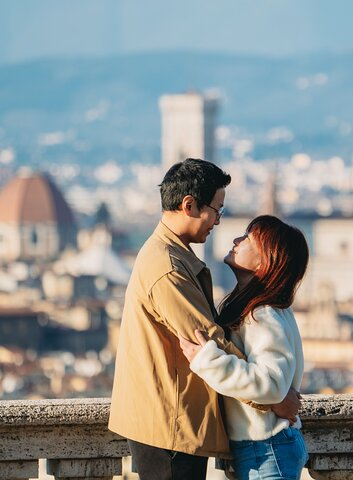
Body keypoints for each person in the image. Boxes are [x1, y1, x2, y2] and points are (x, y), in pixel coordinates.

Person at [108, 159, 301, 480]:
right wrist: (272, 399)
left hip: (175, 420)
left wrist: (270, 393)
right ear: (189, 205)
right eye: (217, 209)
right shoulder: (168, 266)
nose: (218, 221)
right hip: (170, 423)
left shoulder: (172, 257)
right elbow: (206, 341)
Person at [179, 215, 310, 480]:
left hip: (265, 448)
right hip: (263, 447)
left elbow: (271, 384)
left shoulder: (263, 314)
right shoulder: (264, 309)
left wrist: (207, 360)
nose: (238, 240)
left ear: (266, 260)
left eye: (249, 238)